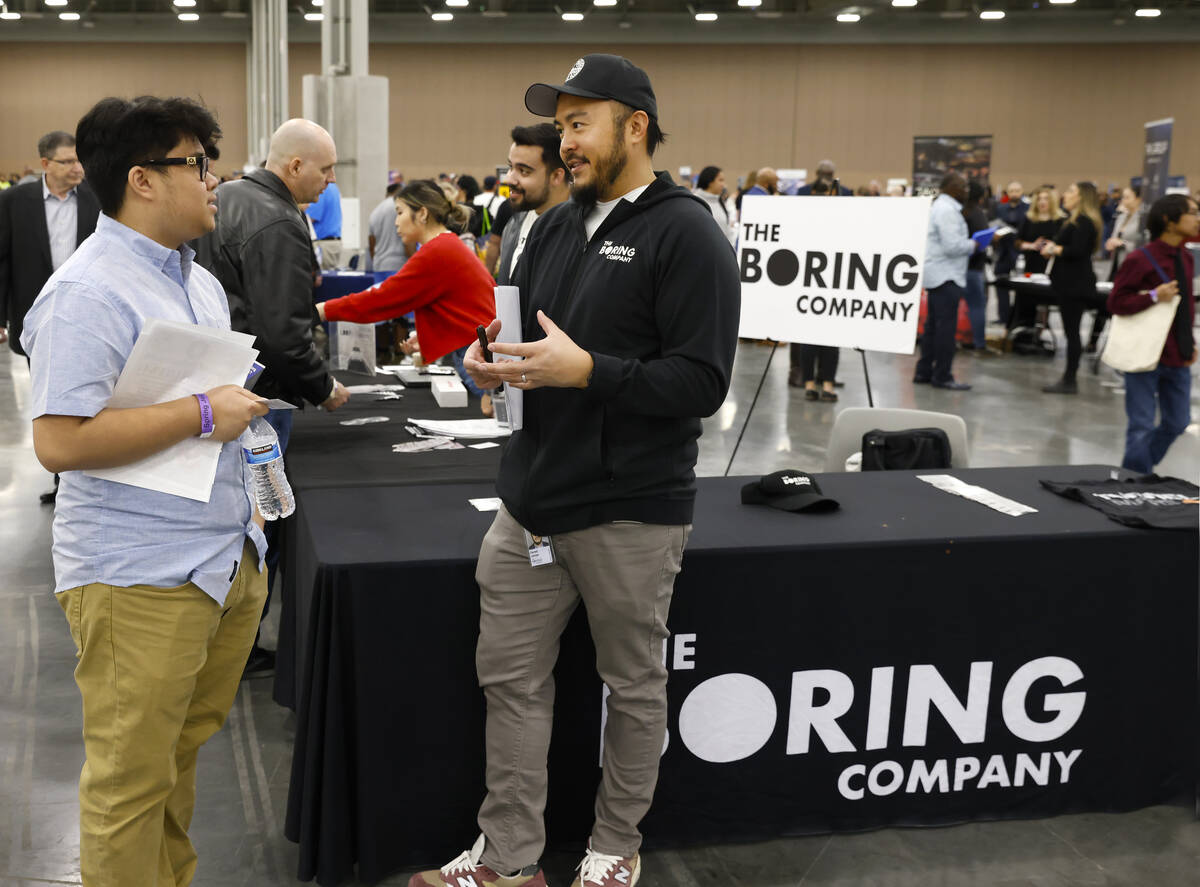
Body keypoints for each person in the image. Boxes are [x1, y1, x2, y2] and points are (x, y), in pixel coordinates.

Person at [412, 54, 740, 887]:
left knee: (632, 685)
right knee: (511, 681)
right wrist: (488, 362)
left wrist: (588, 370)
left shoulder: (688, 232)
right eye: (560, 125)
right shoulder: (551, 226)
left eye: (580, 123)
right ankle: (511, 859)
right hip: (528, 505)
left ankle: (613, 846)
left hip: (631, 509)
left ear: (636, 127)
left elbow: (701, 383)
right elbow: (511, 331)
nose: (567, 143)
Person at [21, 94, 271, 887]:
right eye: (196, 164)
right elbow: (59, 440)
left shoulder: (193, 280)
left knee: (174, 762)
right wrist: (203, 411)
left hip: (218, 556)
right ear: (143, 180)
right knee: (129, 785)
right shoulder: (87, 293)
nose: (214, 179)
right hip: (137, 572)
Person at [194, 118, 350, 675]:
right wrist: (323, 386)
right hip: (263, 395)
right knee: (263, 521)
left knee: (231, 515)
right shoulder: (279, 221)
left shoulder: (228, 196)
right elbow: (285, 333)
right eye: (326, 169)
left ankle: (221, 640)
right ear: (294, 166)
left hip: (219, 380)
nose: (330, 182)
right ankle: (240, 647)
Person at [316, 179, 496, 406]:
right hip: (476, 351)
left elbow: (382, 300)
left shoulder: (438, 251)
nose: (396, 222)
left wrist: (323, 310)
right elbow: (458, 306)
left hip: (475, 356)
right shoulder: (446, 245)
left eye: (400, 212)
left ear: (422, 213)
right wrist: (426, 337)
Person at [0, 130, 101, 504]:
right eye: (68, 161)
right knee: (51, 402)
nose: (77, 168)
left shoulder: (96, 199)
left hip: (88, 317)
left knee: (89, 398)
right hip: (35, 320)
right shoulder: (14, 201)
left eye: (79, 161)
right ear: (45, 164)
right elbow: (3, 260)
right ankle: (63, 481)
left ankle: (84, 477)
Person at [1108, 193, 1197, 472]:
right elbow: (1116, 302)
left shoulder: (1186, 257)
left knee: (1178, 422)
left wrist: (1189, 342)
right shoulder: (1139, 259)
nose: (1197, 219)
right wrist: (1154, 297)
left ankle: (1137, 470)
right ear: (1169, 221)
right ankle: (1133, 481)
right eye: (1192, 212)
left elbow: (1185, 308)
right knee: (1141, 426)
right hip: (1145, 353)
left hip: (1177, 355)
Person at [915, 171, 981, 390]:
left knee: (933, 327)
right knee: (944, 329)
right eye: (963, 186)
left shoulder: (942, 207)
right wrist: (975, 245)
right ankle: (942, 375)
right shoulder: (947, 211)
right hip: (946, 276)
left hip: (939, 274)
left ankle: (924, 371)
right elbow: (952, 246)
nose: (966, 191)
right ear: (952, 187)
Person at [1040, 181, 1102, 394]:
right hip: (1069, 283)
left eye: (1070, 191)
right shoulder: (1075, 220)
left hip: (1075, 285)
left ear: (1081, 197)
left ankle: (1070, 379)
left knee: (1072, 332)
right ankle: (1069, 378)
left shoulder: (1083, 221)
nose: (1065, 194)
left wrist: (1055, 249)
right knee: (1071, 331)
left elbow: (1076, 250)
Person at [497, 122, 570, 286]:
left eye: (523, 171)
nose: (508, 179)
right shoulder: (514, 223)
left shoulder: (583, 231)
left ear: (556, 176)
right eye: (510, 167)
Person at [1091, 185, 1146, 352]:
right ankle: (1093, 341)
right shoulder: (1121, 217)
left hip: (1131, 266)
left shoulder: (1143, 219)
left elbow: (1143, 245)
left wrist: (1123, 244)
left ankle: (1120, 345)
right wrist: (1112, 242)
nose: (1123, 200)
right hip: (1115, 266)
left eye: (1127, 197)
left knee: (1122, 303)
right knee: (1104, 301)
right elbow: (1114, 236)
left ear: (1138, 199)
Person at [1009, 186, 1065, 330]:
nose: (1042, 202)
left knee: (1043, 303)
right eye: (1039, 199)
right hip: (1030, 265)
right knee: (1025, 301)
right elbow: (1017, 242)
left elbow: (1064, 244)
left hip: (1051, 267)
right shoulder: (1029, 218)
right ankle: (1022, 331)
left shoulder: (1060, 220)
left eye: (1046, 199)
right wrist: (1031, 246)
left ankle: (1039, 331)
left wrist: (1052, 246)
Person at [992, 180, 1029, 325]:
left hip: (1020, 250)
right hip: (1003, 251)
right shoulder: (1000, 208)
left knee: (1023, 286)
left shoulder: (1027, 208)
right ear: (1007, 192)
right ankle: (1004, 316)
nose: (1014, 193)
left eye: (1017, 190)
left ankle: (1019, 318)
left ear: (1021, 191)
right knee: (1001, 284)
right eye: (1012, 190)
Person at [962, 180, 992, 353]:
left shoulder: (962, 212)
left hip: (962, 266)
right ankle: (979, 344)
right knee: (977, 305)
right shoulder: (976, 214)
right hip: (972, 268)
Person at [368, 172, 409, 273]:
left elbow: (371, 244)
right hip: (399, 265)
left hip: (379, 265)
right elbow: (408, 240)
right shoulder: (402, 208)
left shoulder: (375, 212)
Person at [691, 165, 737, 246]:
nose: (723, 185)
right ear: (710, 181)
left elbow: (727, 231)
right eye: (720, 180)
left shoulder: (720, 202)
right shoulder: (694, 201)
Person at [305, 176, 342, 270]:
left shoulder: (322, 188)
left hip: (324, 245)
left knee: (322, 280)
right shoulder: (333, 187)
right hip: (332, 243)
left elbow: (310, 218)